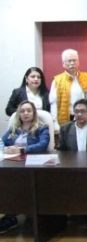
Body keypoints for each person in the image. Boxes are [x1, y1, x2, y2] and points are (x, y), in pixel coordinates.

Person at [0, 100, 50, 234]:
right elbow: (2, 142)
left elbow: (42, 145)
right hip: (14, 164)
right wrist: (6, 148)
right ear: (19, 114)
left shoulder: (42, 127)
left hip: (33, 165)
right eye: (22, 111)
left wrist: (21, 149)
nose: (25, 113)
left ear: (34, 113)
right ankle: (11, 215)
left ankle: (20, 214)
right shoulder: (14, 128)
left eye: (28, 111)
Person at [49, 49, 87, 126]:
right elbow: (54, 103)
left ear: (78, 62)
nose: (72, 63)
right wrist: (54, 122)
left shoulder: (86, 77)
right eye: (69, 61)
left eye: (74, 60)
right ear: (63, 64)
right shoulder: (57, 80)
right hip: (67, 118)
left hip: (84, 116)